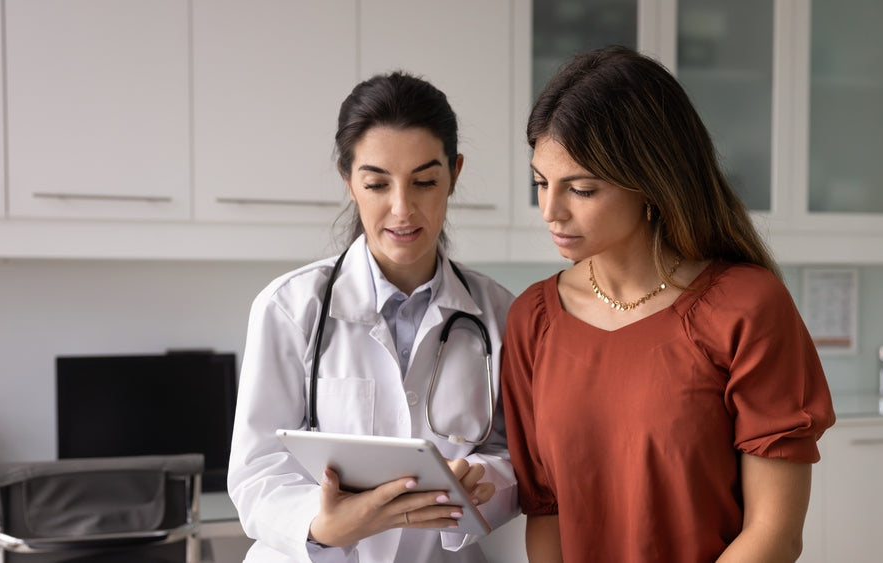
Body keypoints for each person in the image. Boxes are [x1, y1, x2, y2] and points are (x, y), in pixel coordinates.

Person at [501, 46, 836, 563]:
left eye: (582, 189)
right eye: (541, 184)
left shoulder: (747, 309)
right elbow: (547, 512)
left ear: (650, 182)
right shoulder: (534, 320)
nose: (550, 211)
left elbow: (773, 533)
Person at [228, 71, 519, 563]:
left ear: (455, 174)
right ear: (349, 181)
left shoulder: (499, 314)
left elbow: (515, 454)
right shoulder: (289, 309)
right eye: (377, 183)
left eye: (425, 181)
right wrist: (322, 525)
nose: (402, 209)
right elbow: (257, 473)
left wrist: (484, 480)